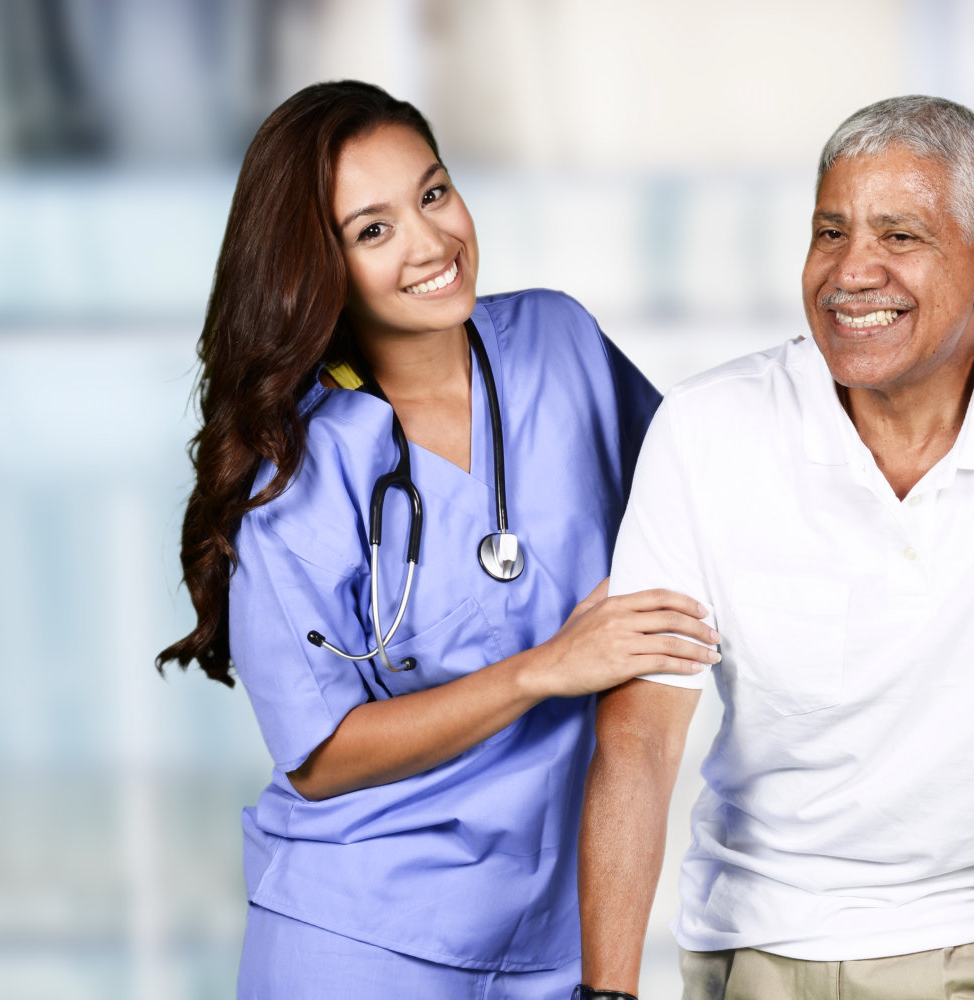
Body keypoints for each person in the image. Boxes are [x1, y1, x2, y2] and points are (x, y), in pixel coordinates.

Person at [575, 96, 974, 1000]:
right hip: (751, 947)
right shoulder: (703, 431)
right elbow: (639, 741)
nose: (850, 271)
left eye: (899, 236)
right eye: (830, 231)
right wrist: (607, 995)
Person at [157, 81, 717, 999]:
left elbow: (704, 494)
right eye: (372, 230)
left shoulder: (558, 341)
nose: (430, 243)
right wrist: (545, 668)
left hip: (555, 932)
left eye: (433, 193)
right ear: (316, 264)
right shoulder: (296, 466)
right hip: (359, 937)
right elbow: (322, 754)